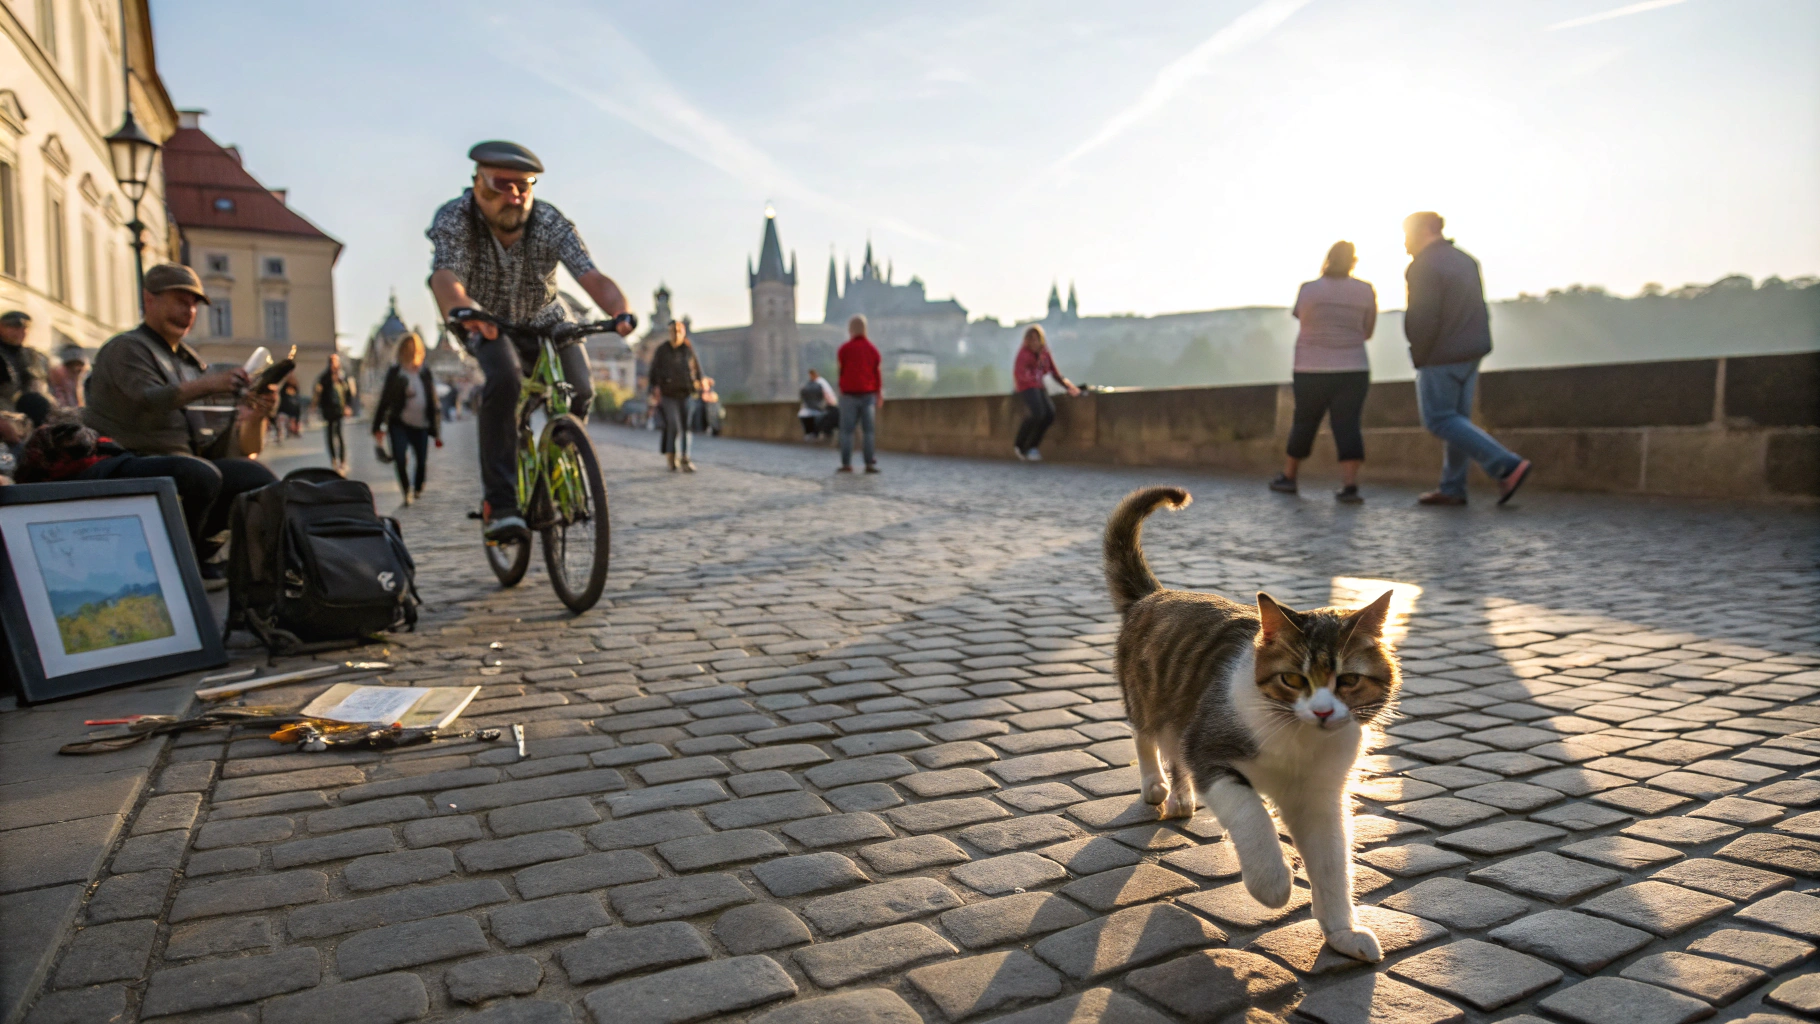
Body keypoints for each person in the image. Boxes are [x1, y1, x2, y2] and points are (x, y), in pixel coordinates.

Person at [428, 140, 634, 538]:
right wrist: (461, 310)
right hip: (485, 320)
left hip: (547, 318)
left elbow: (590, 275)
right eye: (502, 185)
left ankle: (560, 460)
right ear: (478, 184)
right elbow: (445, 275)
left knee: (581, 389)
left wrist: (619, 311)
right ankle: (501, 505)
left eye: (523, 186)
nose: (515, 196)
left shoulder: (548, 221)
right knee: (504, 381)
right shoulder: (457, 218)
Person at [80, 264, 278, 586]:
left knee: (255, 477)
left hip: (180, 461)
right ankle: (181, 563)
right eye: (180, 301)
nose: (189, 311)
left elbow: (215, 443)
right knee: (197, 473)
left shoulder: (187, 361)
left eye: (194, 304)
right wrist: (210, 384)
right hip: (125, 458)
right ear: (150, 299)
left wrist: (256, 414)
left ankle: (223, 557)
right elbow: (148, 399)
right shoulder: (126, 348)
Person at [1403, 212, 1532, 506]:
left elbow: (1423, 316)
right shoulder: (1466, 260)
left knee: (1439, 419)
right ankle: (1452, 487)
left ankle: (1506, 465)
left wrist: (1419, 354)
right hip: (1471, 350)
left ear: (1424, 230)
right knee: (1458, 421)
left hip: (1440, 353)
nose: (1405, 243)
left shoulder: (1423, 265)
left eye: (1407, 234)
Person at [1270, 241, 1377, 504]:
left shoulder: (1308, 289)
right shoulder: (1365, 290)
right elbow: (1368, 332)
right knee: (1348, 424)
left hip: (1310, 367)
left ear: (1327, 259)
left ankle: (1289, 477)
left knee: (1304, 422)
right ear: (1353, 262)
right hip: (1353, 368)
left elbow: (1301, 318)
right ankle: (1350, 486)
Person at [371, 331, 443, 505]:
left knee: (421, 460)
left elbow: (433, 401)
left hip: (421, 424)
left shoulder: (424, 372)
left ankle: (418, 486)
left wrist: (437, 430)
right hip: (399, 423)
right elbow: (385, 399)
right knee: (400, 458)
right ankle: (406, 491)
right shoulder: (396, 372)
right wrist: (377, 427)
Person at [1012, 324, 1080, 461]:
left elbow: (1055, 373)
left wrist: (1069, 387)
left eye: (1036, 339)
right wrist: (1032, 380)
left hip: (1039, 386)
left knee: (1049, 414)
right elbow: (1019, 373)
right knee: (1038, 413)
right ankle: (1019, 445)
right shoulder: (1023, 354)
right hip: (1027, 387)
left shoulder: (1044, 353)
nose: (1034, 342)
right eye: (1031, 339)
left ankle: (1032, 446)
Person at [647, 319, 703, 472]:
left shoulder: (687, 349)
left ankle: (685, 458)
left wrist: (701, 384)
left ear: (683, 332)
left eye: (679, 331)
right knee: (673, 425)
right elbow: (653, 371)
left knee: (686, 427)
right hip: (668, 394)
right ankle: (671, 456)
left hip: (686, 393)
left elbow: (697, 369)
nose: (676, 334)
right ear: (669, 332)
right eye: (673, 331)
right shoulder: (662, 350)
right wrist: (653, 389)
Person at [836, 315, 883, 473]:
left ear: (850, 330)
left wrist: (842, 388)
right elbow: (876, 373)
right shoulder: (872, 349)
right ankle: (869, 463)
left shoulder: (844, 349)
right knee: (868, 431)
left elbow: (841, 371)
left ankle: (846, 464)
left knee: (847, 431)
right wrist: (878, 393)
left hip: (848, 395)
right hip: (868, 394)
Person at [0, 310, 50, 414]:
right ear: (1, 327)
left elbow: (39, 385)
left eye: (24, 328)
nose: (21, 332)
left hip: (29, 411)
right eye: (15, 328)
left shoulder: (32, 355)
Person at [314, 352, 355, 472]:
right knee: (330, 435)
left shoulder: (343, 377)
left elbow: (349, 393)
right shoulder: (324, 378)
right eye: (332, 362)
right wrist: (319, 407)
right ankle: (334, 459)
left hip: (339, 410)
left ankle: (342, 460)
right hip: (328, 410)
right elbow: (319, 394)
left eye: (336, 361)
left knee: (340, 435)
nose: (334, 364)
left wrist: (348, 406)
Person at [799, 368, 837, 440]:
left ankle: (816, 434)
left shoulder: (819, 383)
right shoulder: (815, 383)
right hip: (816, 408)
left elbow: (828, 396)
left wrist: (831, 404)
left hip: (817, 408)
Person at [48, 344, 88, 408]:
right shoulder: (55, 387)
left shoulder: (86, 383)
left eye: (78, 365)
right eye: (71, 365)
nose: (75, 369)